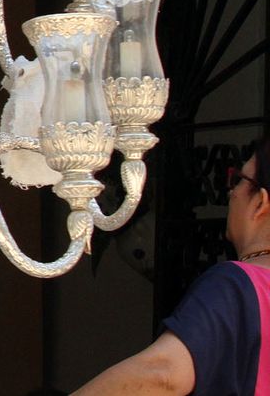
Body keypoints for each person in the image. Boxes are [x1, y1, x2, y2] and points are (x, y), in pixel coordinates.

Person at [74, 138, 270, 395]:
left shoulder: (239, 287)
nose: (231, 192)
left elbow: (163, 374)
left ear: (260, 203)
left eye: (237, 180)